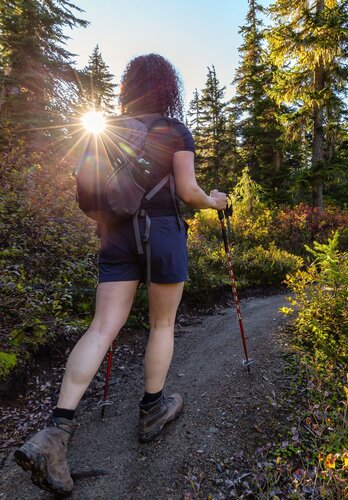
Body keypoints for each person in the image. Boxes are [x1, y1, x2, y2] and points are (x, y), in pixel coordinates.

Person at [14, 53, 227, 496]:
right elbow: (187, 192)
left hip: (113, 234)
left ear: (128, 87)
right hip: (163, 231)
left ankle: (55, 432)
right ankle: (152, 408)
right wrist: (216, 201)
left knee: (102, 327)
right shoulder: (174, 130)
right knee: (162, 323)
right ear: (168, 87)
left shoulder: (109, 128)